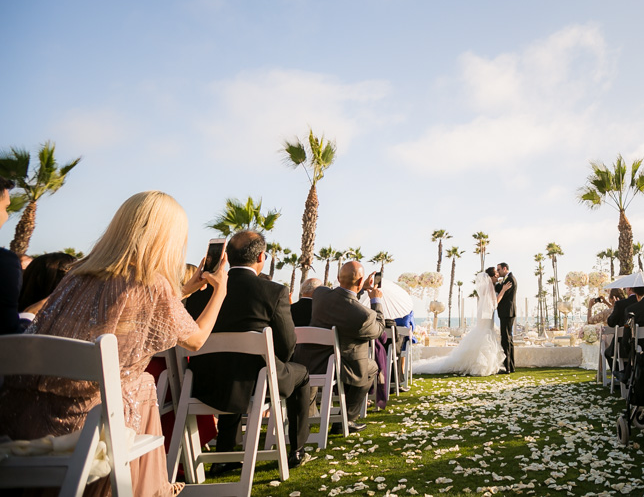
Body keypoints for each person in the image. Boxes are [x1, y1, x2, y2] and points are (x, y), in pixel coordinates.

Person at [0, 190, 229, 497]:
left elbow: (130, 308)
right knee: (144, 383)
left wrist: (185, 290)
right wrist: (220, 292)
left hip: (25, 419)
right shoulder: (152, 284)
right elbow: (196, 340)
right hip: (90, 428)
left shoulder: (76, 276)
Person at [185, 230, 313, 471]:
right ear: (261, 256)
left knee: (234, 367)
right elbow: (286, 346)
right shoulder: (274, 292)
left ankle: (225, 454)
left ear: (227, 257)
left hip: (203, 383)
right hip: (256, 382)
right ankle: (296, 450)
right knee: (301, 373)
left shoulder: (200, 293)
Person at [294, 261, 383, 429]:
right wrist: (376, 300)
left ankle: (312, 415)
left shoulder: (319, 294)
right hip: (337, 366)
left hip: (308, 360)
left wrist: (359, 286)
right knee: (371, 367)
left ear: (337, 278)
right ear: (360, 281)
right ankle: (345, 419)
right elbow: (378, 330)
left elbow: (340, 295)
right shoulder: (363, 315)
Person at [414, 271, 510, 377]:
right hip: (487, 315)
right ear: (490, 277)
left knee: (482, 334)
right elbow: (495, 303)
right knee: (485, 336)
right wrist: (503, 291)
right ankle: (482, 366)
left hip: (483, 313)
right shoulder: (490, 286)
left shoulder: (485, 286)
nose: (497, 277)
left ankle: (481, 364)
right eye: (496, 275)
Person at [0, 177, 22, 335]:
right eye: (5, 208)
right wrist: (29, 317)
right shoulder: (5, 263)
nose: (6, 216)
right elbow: (8, 333)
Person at [495, 262, 517, 374]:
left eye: (499, 270)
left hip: (507, 313)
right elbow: (501, 289)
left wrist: (495, 284)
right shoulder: (507, 279)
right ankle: (511, 366)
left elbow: (503, 293)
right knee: (508, 339)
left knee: (506, 339)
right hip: (506, 313)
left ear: (504, 269)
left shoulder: (510, 279)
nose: (498, 272)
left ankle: (508, 367)